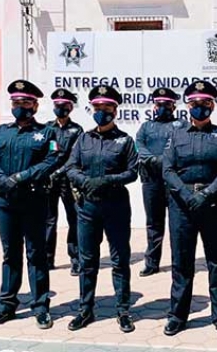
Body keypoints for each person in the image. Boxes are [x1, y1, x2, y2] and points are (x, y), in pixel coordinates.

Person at [162, 80, 217, 339]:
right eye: (195, 104)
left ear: (213, 106)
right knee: (181, 262)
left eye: (205, 103)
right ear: (187, 106)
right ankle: (177, 315)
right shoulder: (176, 135)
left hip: (214, 205)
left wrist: (206, 193)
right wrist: (186, 193)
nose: (200, 108)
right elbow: (167, 170)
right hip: (182, 207)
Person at [0, 80, 60, 330]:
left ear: (35, 105)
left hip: (33, 201)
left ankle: (40, 306)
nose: (20, 107)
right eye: (16, 103)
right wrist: (3, 179)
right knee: (10, 253)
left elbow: (51, 160)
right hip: (5, 202)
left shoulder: (47, 133)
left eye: (25, 103)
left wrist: (21, 177)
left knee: (36, 254)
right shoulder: (1, 132)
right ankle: (6, 304)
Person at [66, 85, 138, 333]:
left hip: (115, 206)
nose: (101, 112)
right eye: (97, 108)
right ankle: (85, 310)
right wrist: (84, 181)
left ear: (115, 110)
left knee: (120, 260)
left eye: (106, 108)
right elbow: (71, 167)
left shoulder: (125, 140)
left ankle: (123, 310)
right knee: (88, 261)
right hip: (87, 207)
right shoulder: (83, 138)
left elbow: (132, 172)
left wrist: (106, 181)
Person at [136, 87, 188, 277]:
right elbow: (139, 145)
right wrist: (154, 160)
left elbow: (182, 147)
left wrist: (165, 161)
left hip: (173, 181)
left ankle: (178, 263)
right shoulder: (146, 127)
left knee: (177, 224)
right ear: (153, 105)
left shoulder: (182, 125)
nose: (162, 107)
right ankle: (152, 262)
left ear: (174, 106)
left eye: (167, 104)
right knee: (153, 223)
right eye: (159, 104)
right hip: (151, 181)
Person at [45, 88, 83, 275]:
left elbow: (74, 157)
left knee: (73, 219)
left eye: (64, 105)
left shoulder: (77, 130)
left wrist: (59, 171)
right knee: (48, 220)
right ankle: (47, 258)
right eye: (57, 105)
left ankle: (75, 258)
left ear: (70, 107)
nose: (60, 108)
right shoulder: (46, 128)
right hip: (48, 181)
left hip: (68, 181)